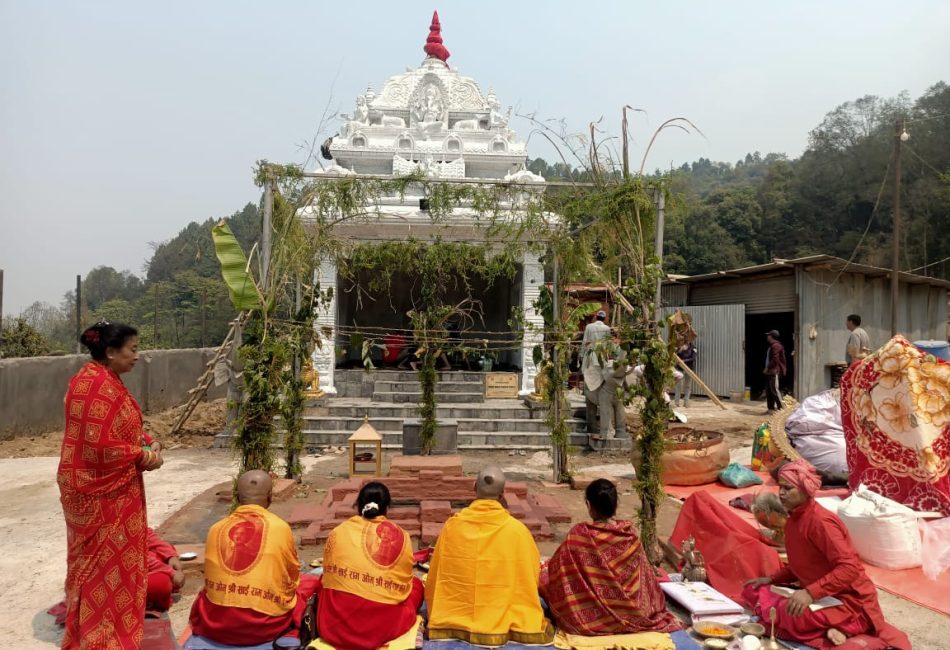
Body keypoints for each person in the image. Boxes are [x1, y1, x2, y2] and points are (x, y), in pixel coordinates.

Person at [58, 321, 164, 649]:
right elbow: (99, 446)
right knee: (99, 568)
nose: (138, 356)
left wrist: (148, 440)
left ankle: (112, 627)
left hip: (112, 488)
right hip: (95, 492)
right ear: (110, 351)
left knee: (111, 565)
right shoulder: (93, 385)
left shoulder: (107, 379)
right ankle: (98, 637)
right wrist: (144, 456)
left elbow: (122, 425)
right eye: (132, 350)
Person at [743, 460, 910, 650]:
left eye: (788, 488)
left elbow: (849, 568)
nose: (781, 493)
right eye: (781, 487)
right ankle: (830, 627)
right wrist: (771, 579)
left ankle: (854, 624)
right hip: (820, 595)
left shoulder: (822, 522)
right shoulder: (793, 521)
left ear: (806, 489)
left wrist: (809, 593)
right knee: (755, 591)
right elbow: (802, 565)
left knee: (790, 613)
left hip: (848, 600)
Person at [426, 466, 554, 646]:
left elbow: (437, 572)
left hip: (453, 613)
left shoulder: (452, 526)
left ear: (474, 487)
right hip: (503, 609)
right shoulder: (517, 531)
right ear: (502, 494)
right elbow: (531, 574)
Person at [189, 470, 319, 645]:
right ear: (270, 497)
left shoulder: (216, 529)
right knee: (310, 583)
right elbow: (292, 578)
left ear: (236, 497)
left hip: (217, 623)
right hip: (264, 626)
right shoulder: (279, 527)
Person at [540, 479, 681, 636]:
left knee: (544, 578)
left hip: (589, 620)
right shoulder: (629, 536)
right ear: (615, 505)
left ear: (588, 505)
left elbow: (559, 572)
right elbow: (646, 582)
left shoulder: (579, 536)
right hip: (634, 614)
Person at [317, 482, 424, 649]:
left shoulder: (338, 531)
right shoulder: (401, 536)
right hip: (382, 627)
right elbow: (403, 581)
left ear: (358, 506)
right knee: (416, 585)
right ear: (387, 508)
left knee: (323, 581)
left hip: (334, 627)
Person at [581, 310, 612, 433]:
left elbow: (585, 343)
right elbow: (608, 346)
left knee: (589, 388)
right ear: (604, 319)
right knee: (601, 387)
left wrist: (581, 357)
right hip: (601, 360)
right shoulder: (607, 329)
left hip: (589, 359)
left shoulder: (589, 327)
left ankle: (591, 424)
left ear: (596, 317)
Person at [147, 528, 186, 612]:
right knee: (160, 585)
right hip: (125, 572)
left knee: (167, 549)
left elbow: (146, 534)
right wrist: (171, 572)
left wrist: (170, 556)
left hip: (147, 561)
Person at [764, 330, 786, 412]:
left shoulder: (776, 346)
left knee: (774, 390)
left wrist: (767, 367)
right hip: (771, 371)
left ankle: (781, 409)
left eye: (768, 335)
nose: (767, 336)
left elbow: (775, 359)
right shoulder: (772, 346)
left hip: (774, 371)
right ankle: (770, 409)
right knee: (769, 390)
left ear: (771, 336)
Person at [673, 337, 697, 407]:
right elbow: (675, 355)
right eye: (686, 339)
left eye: (689, 339)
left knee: (688, 385)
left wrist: (684, 361)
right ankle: (676, 402)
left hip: (689, 368)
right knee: (678, 385)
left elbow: (693, 358)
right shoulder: (680, 347)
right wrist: (680, 350)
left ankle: (686, 402)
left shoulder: (693, 348)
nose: (687, 340)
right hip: (680, 368)